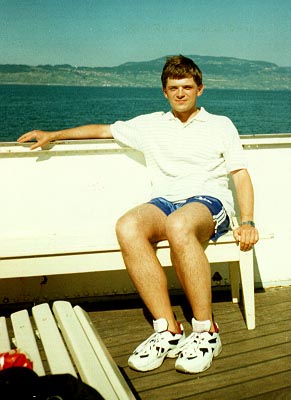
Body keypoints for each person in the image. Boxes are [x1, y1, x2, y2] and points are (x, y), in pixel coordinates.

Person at [18, 55, 259, 374]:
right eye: (174, 88)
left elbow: (240, 174)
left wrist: (248, 221)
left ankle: (205, 332)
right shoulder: (150, 125)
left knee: (179, 224)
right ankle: (168, 330)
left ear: (200, 89)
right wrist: (53, 135)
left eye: (187, 87)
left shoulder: (220, 125)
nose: (181, 93)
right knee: (128, 226)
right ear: (164, 92)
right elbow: (102, 130)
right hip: (166, 202)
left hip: (208, 202)